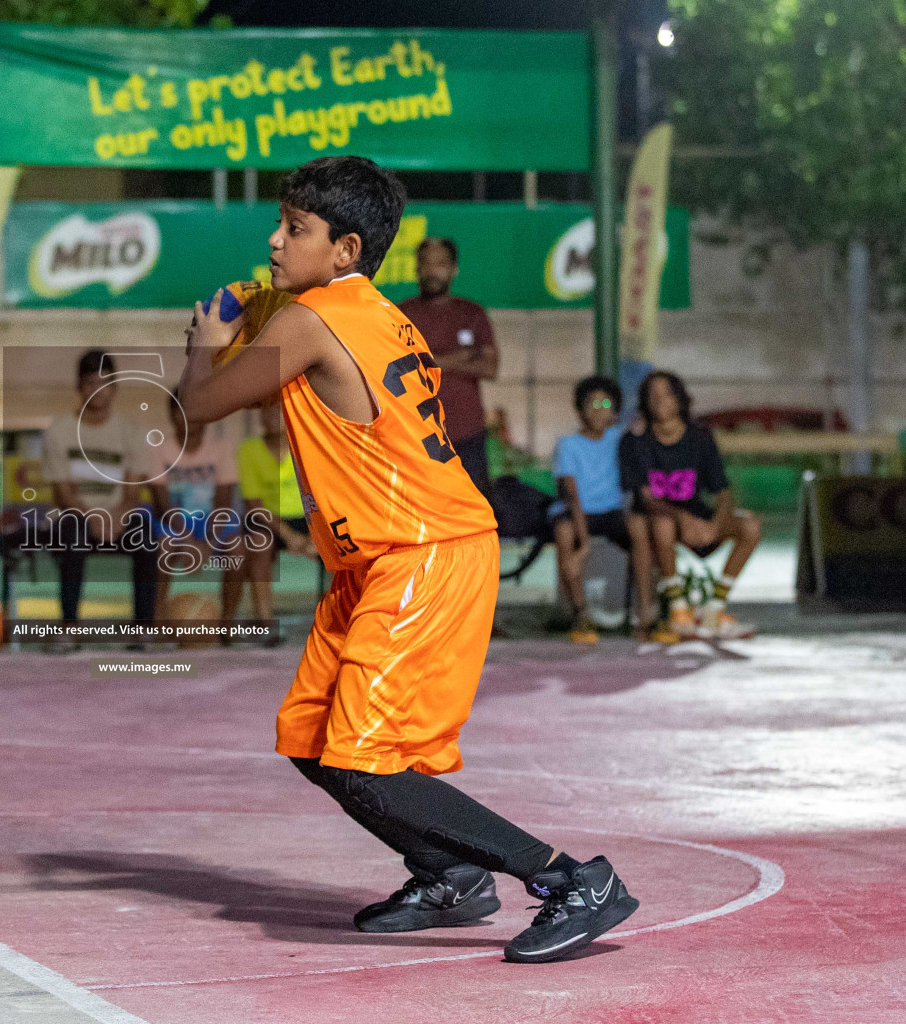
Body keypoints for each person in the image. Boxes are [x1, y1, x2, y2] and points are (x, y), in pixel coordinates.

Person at [178, 155, 637, 964]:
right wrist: (251, 308)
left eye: (295, 229)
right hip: (381, 558)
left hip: (423, 551)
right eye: (280, 224)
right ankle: (449, 874)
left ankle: (573, 879)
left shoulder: (312, 318)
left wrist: (205, 343)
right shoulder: (373, 313)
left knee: (366, 760)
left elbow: (195, 409)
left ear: (347, 249)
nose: (275, 241)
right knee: (314, 741)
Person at [621, 370, 760, 642]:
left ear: (680, 399)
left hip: (697, 516)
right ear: (645, 403)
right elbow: (647, 498)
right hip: (658, 517)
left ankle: (714, 609)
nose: (660, 401)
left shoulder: (699, 437)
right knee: (662, 525)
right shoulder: (635, 441)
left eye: (667, 394)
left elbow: (722, 490)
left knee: (750, 525)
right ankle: (678, 611)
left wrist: (714, 526)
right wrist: (683, 520)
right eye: (653, 396)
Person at [40, 349, 160, 640]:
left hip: (118, 516)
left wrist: (119, 515)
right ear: (80, 387)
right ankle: (69, 627)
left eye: (105, 383)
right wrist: (92, 515)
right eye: (91, 383)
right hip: (76, 516)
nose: (98, 391)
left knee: (146, 537)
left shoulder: (129, 433)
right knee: (73, 536)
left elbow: (134, 490)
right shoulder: (59, 431)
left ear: (115, 389)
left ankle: (142, 630)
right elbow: (62, 492)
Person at [397, 237, 498, 501]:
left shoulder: (471, 313)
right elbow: (395, 366)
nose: (433, 271)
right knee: (422, 510)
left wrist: (431, 361)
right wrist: (462, 358)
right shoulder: (401, 315)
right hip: (417, 433)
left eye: (441, 264)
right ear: (417, 268)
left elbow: (490, 367)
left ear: (454, 269)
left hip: (467, 432)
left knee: (476, 510)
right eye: (426, 264)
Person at [550, 376, 642, 645]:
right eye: (591, 404)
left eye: (605, 403)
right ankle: (580, 613)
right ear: (580, 410)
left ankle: (643, 611)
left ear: (614, 409)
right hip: (578, 512)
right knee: (565, 532)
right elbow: (573, 496)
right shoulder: (568, 444)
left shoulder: (620, 438)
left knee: (642, 530)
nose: (598, 409)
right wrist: (585, 543)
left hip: (610, 512)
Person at [224, 400, 315, 632]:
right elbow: (254, 505)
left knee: (343, 543)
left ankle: (342, 622)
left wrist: (317, 534)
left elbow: (326, 493)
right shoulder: (249, 449)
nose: (271, 416)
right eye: (266, 412)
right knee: (257, 543)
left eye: (277, 411)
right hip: (267, 519)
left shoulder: (307, 444)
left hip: (309, 518)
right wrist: (290, 536)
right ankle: (265, 623)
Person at [150, 394, 238, 615]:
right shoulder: (159, 450)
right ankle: (157, 620)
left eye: (197, 411)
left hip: (210, 521)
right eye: (183, 411)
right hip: (174, 522)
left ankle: (227, 624)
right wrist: (188, 541)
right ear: (173, 415)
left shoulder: (222, 449)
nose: (191, 418)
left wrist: (208, 543)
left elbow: (224, 504)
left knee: (238, 547)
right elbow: (162, 506)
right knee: (163, 545)